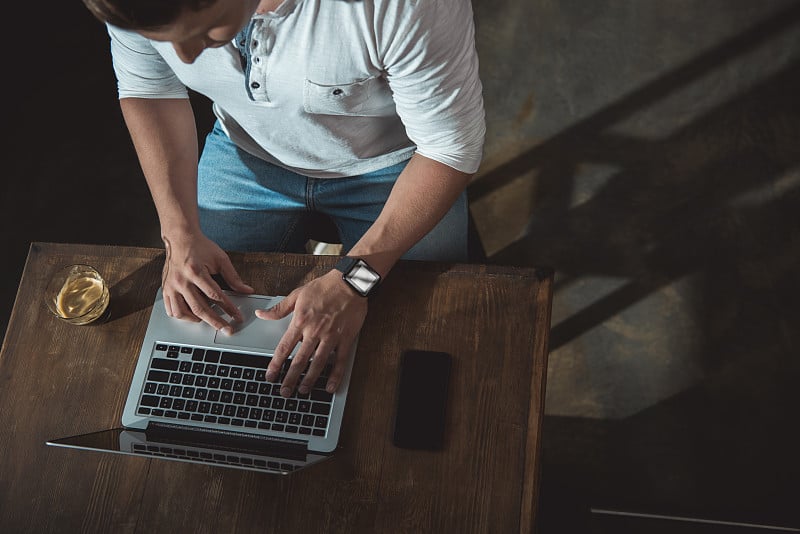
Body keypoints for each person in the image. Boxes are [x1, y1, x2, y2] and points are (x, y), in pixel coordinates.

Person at [81, 0, 485, 398]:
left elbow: (449, 150)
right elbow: (150, 89)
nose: (183, 56)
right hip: (246, 152)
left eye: (202, 30)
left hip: (395, 165)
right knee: (202, 333)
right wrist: (178, 232)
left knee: (425, 340)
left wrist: (354, 280)